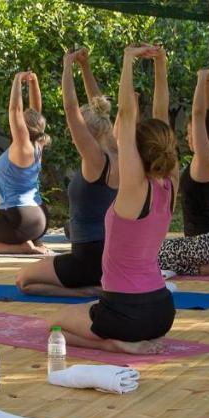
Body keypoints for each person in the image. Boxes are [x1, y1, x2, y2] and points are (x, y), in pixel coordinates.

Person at [48, 45, 178, 354]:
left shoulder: (134, 186)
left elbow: (127, 111)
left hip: (126, 315)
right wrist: (161, 65)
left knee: (54, 325)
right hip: (162, 313)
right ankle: (122, 338)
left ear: (137, 152)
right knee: (89, 310)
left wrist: (128, 60)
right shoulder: (170, 185)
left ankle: (118, 346)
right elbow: (161, 116)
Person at [16, 48, 118, 297]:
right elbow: (99, 107)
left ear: (88, 134)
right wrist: (85, 67)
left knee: (23, 281)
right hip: (109, 256)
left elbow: (72, 110)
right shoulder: (116, 149)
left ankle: (86, 291)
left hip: (89, 259)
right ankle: (89, 284)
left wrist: (67, 67)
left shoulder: (96, 160)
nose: (74, 137)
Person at [158, 68, 209, 277]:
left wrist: (200, 80)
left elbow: (199, 115)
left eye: (191, 133)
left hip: (206, 243)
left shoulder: (205, 158)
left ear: (203, 134)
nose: (188, 138)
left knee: (150, 253)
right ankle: (205, 266)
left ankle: (204, 266)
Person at [0, 71, 50, 255]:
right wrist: (33, 83)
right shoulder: (37, 144)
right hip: (39, 217)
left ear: (22, 126)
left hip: (21, 219)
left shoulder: (23, 146)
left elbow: (15, 110)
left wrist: (16, 81)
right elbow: (36, 110)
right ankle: (30, 242)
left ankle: (22, 247)